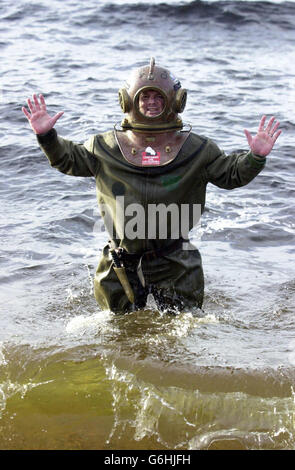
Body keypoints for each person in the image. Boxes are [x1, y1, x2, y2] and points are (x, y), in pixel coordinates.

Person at [22, 58, 281, 314]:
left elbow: (231, 175)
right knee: (116, 334)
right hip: (121, 261)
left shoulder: (197, 150)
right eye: (144, 97)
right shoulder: (105, 147)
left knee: (183, 332)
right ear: (128, 101)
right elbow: (68, 160)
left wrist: (254, 158)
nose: (152, 103)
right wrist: (47, 137)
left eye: (158, 97)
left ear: (176, 101)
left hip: (175, 261)